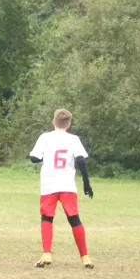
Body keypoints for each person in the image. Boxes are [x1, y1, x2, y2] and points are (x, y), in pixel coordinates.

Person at [28, 109, 94, 269]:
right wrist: (86, 183)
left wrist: (40, 156)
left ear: (53, 122)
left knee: (46, 218)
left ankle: (46, 254)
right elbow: (81, 160)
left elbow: (34, 158)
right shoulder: (74, 139)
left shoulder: (45, 137)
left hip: (49, 184)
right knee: (74, 219)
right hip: (67, 185)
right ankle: (85, 257)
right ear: (69, 124)